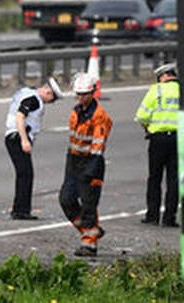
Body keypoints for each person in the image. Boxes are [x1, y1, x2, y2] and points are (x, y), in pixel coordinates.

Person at [59, 72, 113, 257]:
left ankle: (90, 244)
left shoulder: (100, 116)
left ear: (93, 93)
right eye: (78, 94)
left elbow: (98, 146)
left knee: (89, 204)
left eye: (84, 94)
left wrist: (91, 169)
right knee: (66, 199)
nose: (80, 97)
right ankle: (90, 231)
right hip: (74, 160)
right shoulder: (76, 112)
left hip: (92, 162)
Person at [4, 77, 63, 220]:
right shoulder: (34, 99)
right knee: (26, 174)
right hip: (18, 137)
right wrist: (24, 141)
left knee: (24, 174)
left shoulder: (25, 91)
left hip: (13, 136)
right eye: (52, 100)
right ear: (48, 92)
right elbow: (20, 117)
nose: (49, 103)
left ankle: (20, 209)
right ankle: (21, 211)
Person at [135, 61, 180, 227]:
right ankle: (169, 218)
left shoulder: (156, 90)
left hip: (158, 139)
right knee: (173, 179)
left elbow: (141, 116)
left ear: (163, 76)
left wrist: (148, 128)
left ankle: (152, 215)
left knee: (155, 178)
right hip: (178, 138)